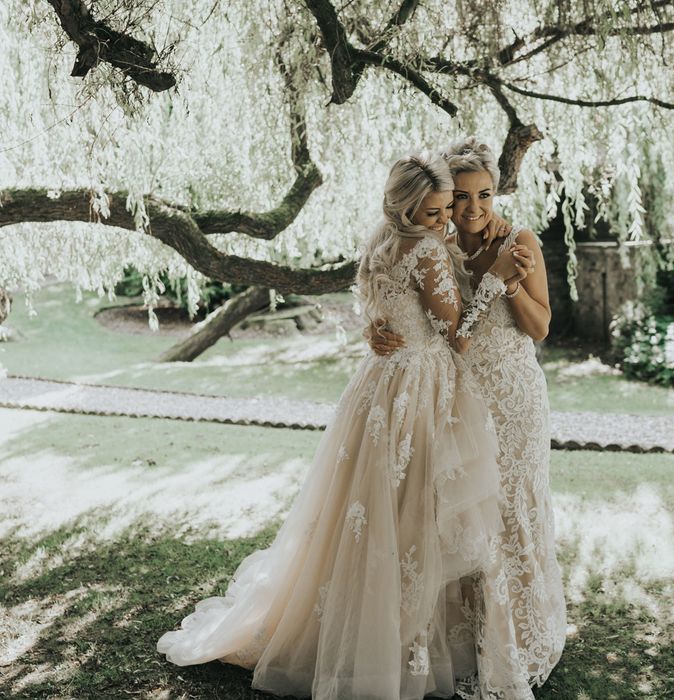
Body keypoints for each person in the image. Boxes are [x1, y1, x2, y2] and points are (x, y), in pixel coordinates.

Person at [157, 152, 536, 699]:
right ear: (407, 208)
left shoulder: (380, 243)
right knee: (411, 515)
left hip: (380, 385)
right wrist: (497, 280)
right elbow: (457, 334)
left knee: (372, 510)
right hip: (418, 388)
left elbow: (378, 309)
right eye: (433, 212)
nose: (444, 221)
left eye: (444, 210)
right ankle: (395, 641)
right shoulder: (427, 249)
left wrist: (379, 327)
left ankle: (364, 627)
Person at [369, 138, 567, 693]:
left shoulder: (520, 240)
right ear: (446, 200)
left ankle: (519, 639)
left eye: (485, 195)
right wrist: (380, 327)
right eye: (462, 197)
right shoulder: (439, 242)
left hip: (514, 394)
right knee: (467, 517)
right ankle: (466, 639)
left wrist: (504, 278)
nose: (474, 208)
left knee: (515, 512)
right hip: (458, 397)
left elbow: (540, 325)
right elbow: (415, 304)